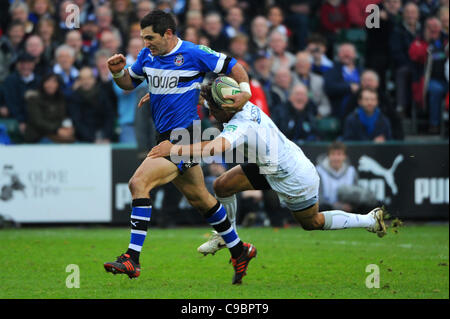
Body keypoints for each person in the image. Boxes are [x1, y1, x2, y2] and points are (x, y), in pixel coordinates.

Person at [148, 80, 387, 257]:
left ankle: (369, 219)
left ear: (227, 108)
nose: (210, 113)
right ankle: (225, 234)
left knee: (311, 222)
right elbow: (206, 95)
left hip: (292, 176)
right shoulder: (240, 101)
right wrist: (164, 97)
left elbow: (214, 148)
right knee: (222, 185)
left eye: (213, 109)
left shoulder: (239, 125)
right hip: (271, 164)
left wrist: (174, 149)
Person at [103, 10, 256, 285]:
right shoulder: (147, 56)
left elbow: (234, 65)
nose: (145, 42)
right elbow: (130, 83)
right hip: (164, 134)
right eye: (142, 37)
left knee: (138, 183)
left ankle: (132, 259)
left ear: (169, 34)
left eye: (150, 37)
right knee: (201, 198)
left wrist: (244, 90)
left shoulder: (194, 53)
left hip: (185, 136)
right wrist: (117, 73)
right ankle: (239, 249)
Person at [24, 73, 75, 144]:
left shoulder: (61, 99)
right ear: (43, 83)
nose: (51, 85)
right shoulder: (34, 99)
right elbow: (38, 122)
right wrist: (57, 129)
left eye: (54, 81)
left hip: (55, 134)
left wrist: (68, 128)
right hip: (38, 136)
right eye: (48, 81)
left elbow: (63, 117)